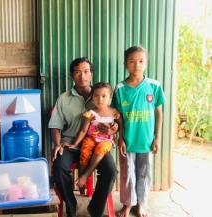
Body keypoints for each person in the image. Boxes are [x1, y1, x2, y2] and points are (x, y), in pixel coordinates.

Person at [49, 57, 118, 217]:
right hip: (71, 144)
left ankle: (95, 208)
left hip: (98, 144)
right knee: (59, 167)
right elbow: (55, 125)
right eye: (77, 72)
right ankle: (71, 204)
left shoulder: (102, 94)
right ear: (72, 75)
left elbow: (116, 118)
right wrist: (58, 144)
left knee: (110, 170)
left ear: (91, 74)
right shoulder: (64, 98)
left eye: (86, 71)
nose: (82, 76)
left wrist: (113, 130)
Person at [113, 45, 165, 217]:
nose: (137, 65)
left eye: (141, 61)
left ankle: (141, 204)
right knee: (127, 174)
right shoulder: (120, 88)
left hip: (146, 140)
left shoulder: (154, 86)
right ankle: (128, 204)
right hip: (127, 141)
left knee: (143, 173)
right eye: (132, 61)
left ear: (146, 63)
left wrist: (157, 137)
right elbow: (118, 116)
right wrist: (120, 138)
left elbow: (158, 112)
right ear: (125, 64)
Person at [65, 82, 121, 190]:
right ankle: (81, 180)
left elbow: (120, 126)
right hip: (91, 138)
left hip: (106, 140)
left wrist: (116, 128)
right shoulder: (90, 113)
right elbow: (83, 131)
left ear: (110, 97)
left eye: (104, 96)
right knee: (85, 149)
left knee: (100, 148)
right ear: (92, 97)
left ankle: (85, 176)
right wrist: (74, 144)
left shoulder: (114, 112)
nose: (100, 99)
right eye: (96, 96)